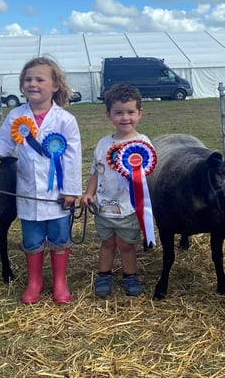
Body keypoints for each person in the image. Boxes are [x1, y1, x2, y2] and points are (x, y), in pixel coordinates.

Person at [0, 56, 82, 305]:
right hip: (28, 190)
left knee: (59, 236)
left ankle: (60, 282)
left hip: (59, 192)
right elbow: (4, 145)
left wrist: (71, 190)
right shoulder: (16, 115)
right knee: (32, 238)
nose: (33, 84)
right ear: (21, 85)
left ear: (55, 85)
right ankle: (34, 282)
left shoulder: (65, 120)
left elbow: (72, 156)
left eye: (40, 79)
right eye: (28, 79)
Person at [80, 84, 150, 297]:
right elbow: (96, 173)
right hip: (103, 207)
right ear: (109, 114)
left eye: (130, 112)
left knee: (126, 244)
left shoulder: (143, 144)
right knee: (107, 243)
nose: (125, 118)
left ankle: (130, 276)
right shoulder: (103, 144)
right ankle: (104, 275)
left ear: (140, 113)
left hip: (129, 208)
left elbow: (147, 177)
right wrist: (88, 193)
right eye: (118, 112)